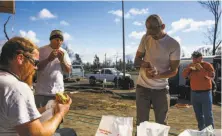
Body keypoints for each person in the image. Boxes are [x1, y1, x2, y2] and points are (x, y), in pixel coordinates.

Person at [0, 37, 73, 136]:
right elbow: (37, 134)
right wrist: (60, 113)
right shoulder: (17, 88)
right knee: (70, 132)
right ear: (20, 58)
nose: (36, 67)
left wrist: (47, 107)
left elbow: (18, 113)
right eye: (35, 62)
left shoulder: (5, 83)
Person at [134, 14, 181, 126]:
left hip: (161, 89)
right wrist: (145, 65)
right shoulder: (146, 37)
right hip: (142, 87)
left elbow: (174, 71)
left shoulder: (174, 45)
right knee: (141, 123)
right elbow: (136, 61)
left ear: (163, 26)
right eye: (149, 32)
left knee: (161, 124)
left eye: (154, 33)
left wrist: (157, 75)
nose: (151, 36)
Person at [35, 30, 72, 108]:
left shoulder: (64, 52)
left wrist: (62, 60)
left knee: (58, 117)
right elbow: (36, 68)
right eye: (57, 40)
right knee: (42, 118)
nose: (59, 42)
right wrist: (48, 59)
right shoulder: (40, 50)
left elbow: (68, 71)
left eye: (61, 40)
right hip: (42, 93)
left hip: (58, 93)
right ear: (51, 39)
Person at [182, 51, 215, 130]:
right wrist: (189, 69)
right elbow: (184, 75)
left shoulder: (207, 65)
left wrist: (201, 69)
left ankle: (210, 133)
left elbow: (212, 76)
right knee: (198, 114)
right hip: (194, 93)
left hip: (206, 93)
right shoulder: (191, 66)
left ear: (201, 58)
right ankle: (201, 130)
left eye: (196, 58)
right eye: (193, 58)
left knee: (208, 115)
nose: (194, 60)